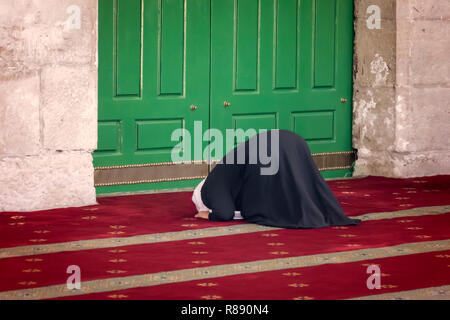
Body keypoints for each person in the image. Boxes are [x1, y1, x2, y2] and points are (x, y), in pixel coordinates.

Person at [192, 129, 360, 229]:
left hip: (272, 147)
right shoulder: (225, 172)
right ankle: (320, 210)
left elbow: (224, 213)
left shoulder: (211, 188)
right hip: (292, 140)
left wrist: (207, 215)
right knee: (299, 180)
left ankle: (306, 214)